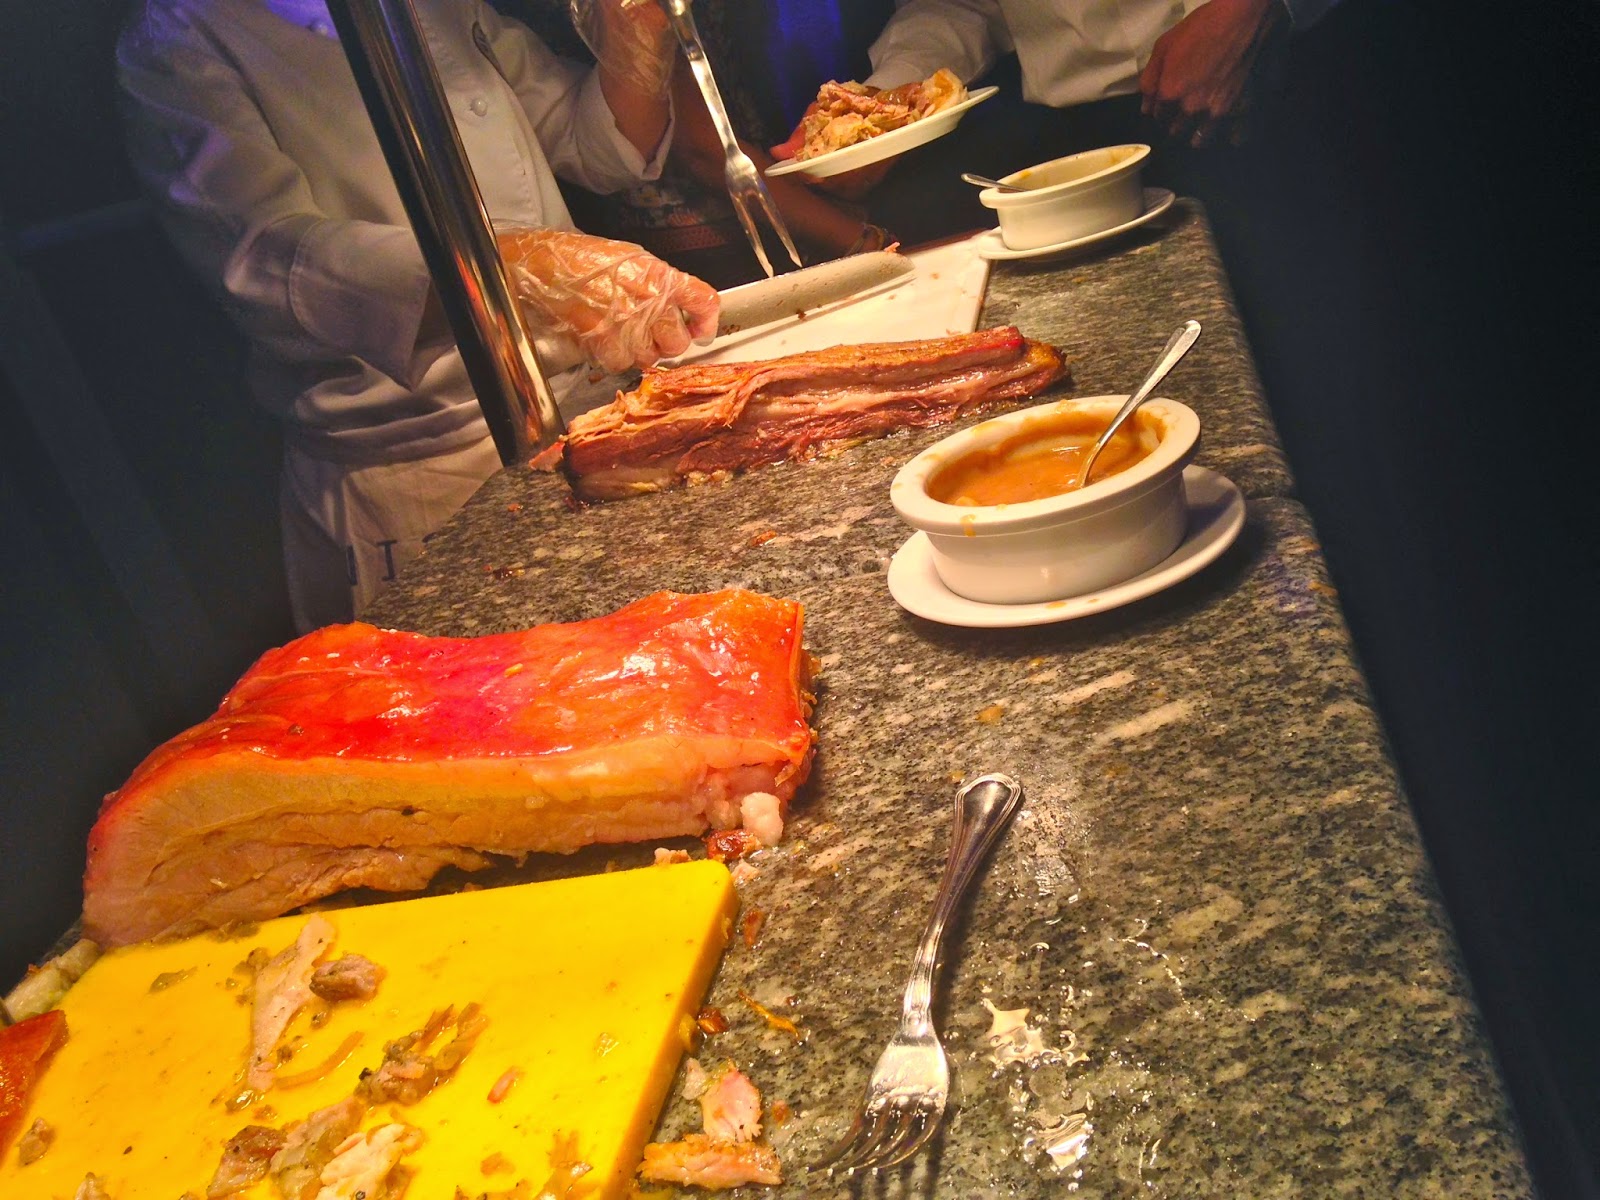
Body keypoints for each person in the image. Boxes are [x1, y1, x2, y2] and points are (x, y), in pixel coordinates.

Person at [116, 0, 719, 631]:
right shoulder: (178, 37)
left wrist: (635, 37)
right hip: (423, 474)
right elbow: (267, 258)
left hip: (583, 409)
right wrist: (514, 270)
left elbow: (593, 146)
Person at [770, 0, 1340, 245]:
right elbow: (959, 5)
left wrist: (1252, 8)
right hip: (1076, 139)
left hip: (1275, 88)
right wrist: (885, 107)